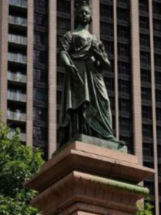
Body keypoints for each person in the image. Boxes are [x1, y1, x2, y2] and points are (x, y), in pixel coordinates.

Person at [57, 1, 121, 148]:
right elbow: (63, 52)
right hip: (78, 72)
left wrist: (99, 56)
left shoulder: (95, 39)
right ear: (76, 16)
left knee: (103, 103)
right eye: (81, 12)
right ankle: (82, 132)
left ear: (91, 16)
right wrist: (68, 64)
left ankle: (105, 134)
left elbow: (107, 65)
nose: (84, 15)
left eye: (86, 12)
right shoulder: (70, 35)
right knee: (80, 104)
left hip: (94, 75)